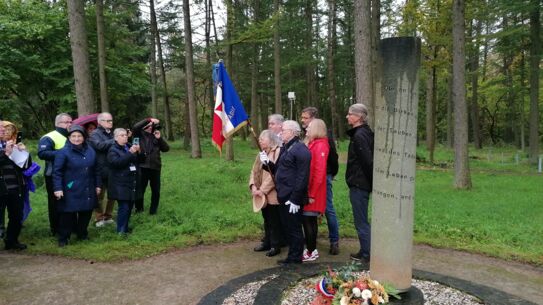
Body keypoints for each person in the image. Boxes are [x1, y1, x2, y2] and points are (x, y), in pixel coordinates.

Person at [259, 120, 311, 266]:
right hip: (283, 195)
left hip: (292, 197)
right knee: (288, 227)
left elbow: (303, 177)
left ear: (293, 132)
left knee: (294, 229)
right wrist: (267, 163)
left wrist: (295, 199)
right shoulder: (285, 148)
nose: (281, 132)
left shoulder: (301, 150)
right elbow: (278, 171)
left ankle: (295, 258)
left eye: (284, 130)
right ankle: (292, 256)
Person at [300, 107, 340, 255]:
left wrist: (331, 173)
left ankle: (334, 240)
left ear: (313, 120)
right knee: (310, 215)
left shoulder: (323, 139)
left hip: (322, 178)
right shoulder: (310, 139)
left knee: (327, 208)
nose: (302, 121)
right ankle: (310, 240)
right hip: (313, 180)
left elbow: (331, 158)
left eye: (305, 118)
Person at [53, 125, 101, 247]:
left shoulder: (90, 150)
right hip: (70, 187)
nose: (76, 138)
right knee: (67, 214)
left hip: (88, 186)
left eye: (79, 136)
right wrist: (58, 188)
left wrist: (98, 185)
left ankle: (82, 234)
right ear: (69, 138)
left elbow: (96, 170)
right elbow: (57, 172)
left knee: (86, 212)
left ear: (84, 137)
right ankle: (64, 238)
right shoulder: (63, 152)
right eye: (73, 136)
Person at [345, 103, 374, 263]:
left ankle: (366, 253)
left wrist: (369, 183)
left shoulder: (360, 135)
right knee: (361, 219)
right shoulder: (365, 133)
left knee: (360, 220)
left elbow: (367, 162)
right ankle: (366, 250)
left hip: (359, 184)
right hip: (360, 182)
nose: (347, 116)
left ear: (359, 117)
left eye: (350, 114)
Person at [249, 130, 282, 257]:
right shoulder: (261, 153)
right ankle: (266, 242)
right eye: (260, 138)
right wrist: (253, 187)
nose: (260, 140)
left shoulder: (277, 152)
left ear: (271, 140)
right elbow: (254, 171)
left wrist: (262, 190)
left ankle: (275, 245)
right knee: (266, 219)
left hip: (271, 193)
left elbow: (274, 174)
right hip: (260, 193)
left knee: (274, 220)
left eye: (263, 138)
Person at [38, 113, 72, 235]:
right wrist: (62, 153)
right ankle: (56, 230)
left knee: (69, 200)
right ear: (58, 124)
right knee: (55, 202)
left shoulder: (73, 136)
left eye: (70, 122)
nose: (69, 124)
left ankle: (70, 227)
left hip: (70, 175)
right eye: (66, 122)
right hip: (53, 175)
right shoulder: (49, 137)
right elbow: (42, 153)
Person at [301, 119, 329, 262]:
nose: (306, 130)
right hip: (311, 189)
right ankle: (311, 249)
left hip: (314, 191)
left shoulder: (320, 146)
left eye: (309, 127)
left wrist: (311, 194)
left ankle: (311, 251)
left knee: (308, 220)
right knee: (308, 220)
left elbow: (319, 171)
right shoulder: (314, 144)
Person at [0, 120, 30, 250]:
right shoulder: (6, 148)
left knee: (17, 216)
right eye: (0, 128)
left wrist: (24, 152)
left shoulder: (10, 144)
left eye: (3, 128)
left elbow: (25, 166)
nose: (3, 130)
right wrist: (5, 153)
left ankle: (11, 241)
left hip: (14, 187)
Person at [131, 118, 170, 215]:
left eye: (151, 126)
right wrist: (149, 119)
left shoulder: (155, 136)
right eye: (148, 126)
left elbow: (166, 149)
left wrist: (159, 138)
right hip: (142, 166)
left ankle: (153, 211)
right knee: (140, 189)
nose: (150, 128)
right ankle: (139, 210)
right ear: (144, 127)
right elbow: (135, 127)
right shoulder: (139, 134)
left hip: (155, 167)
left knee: (156, 190)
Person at [107, 128, 142, 235]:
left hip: (131, 182)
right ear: (116, 138)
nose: (125, 137)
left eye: (126, 135)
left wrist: (139, 152)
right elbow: (117, 163)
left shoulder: (128, 146)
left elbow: (140, 161)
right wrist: (130, 153)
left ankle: (125, 228)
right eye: (121, 135)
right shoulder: (112, 150)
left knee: (129, 207)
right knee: (124, 207)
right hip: (120, 183)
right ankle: (120, 231)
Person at [89, 112, 116, 227]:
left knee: (113, 194)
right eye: (108, 121)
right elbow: (100, 146)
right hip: (100, 169)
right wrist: (115, 139)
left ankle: (108, 216)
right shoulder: (95, 134)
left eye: (111, 120)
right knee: (99, 195)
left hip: (113, 168)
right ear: (100, 122)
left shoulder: (112, 134)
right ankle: (99, 218)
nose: (110, 122)